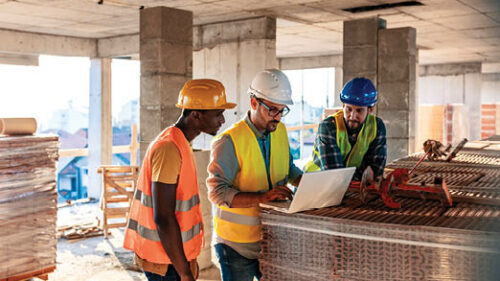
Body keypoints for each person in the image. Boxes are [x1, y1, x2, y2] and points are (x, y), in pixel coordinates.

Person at [123, 79, 236, 281]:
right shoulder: (169, 148)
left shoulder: (180, 142)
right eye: (218, 114)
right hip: (165, 262)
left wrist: (188, 264)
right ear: (196, 115)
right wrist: (184, 272)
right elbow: (163, 218)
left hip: (173, 257)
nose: (222, 120)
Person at [207, 69, 303, 281]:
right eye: (272, 110)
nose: (277, 117)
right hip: (236, 246)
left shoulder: (281, 132)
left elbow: (288, 169)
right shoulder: (229, 141)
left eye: (282, 110)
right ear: (253, 103)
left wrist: (308, 184)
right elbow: (217, 193)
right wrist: (262, 198)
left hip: (271, 240)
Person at [304, 77, 387, 183]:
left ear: (370, 110)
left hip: (348, 188)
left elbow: (376, 170)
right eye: (349, 109)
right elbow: (334, 175)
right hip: (314, 185)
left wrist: (370, 174)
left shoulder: (377, 126)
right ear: (343, 106)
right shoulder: (328, 127)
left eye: (359, 110)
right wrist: (364, 175)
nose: (352, 116)